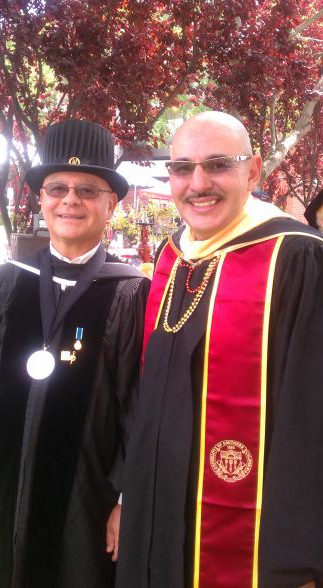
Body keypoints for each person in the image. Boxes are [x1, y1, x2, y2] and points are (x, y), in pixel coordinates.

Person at [116, 111, 323, 588]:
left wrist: (301, 559)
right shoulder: (171, 258)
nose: (198, 183)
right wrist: (128, 497)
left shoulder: (296, 258)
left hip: (254, 543)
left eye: (218, 165)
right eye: (182, 167)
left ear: (253, 172)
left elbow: (311, 420)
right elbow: (144, 400)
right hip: (155, 519)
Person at [0, 119, 150, 588]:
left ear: (111, 204)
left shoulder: (131, 293)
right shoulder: (5, 283)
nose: (71, 199)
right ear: (41, 198)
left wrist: (128, 497)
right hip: (0, 482)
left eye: (88, 190)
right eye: (58, 188)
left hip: (86, 494)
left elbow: (139, 402)